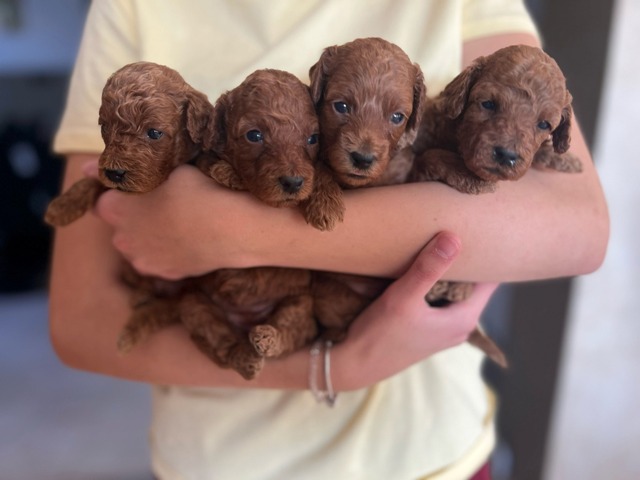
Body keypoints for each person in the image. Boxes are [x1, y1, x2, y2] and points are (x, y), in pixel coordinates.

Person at [48, 1, 609, 479]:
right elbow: (82, 322)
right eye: (340, 107)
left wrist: (233, 232)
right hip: (224, 462)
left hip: (433, 453)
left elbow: (578, 229)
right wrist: (336, 365)